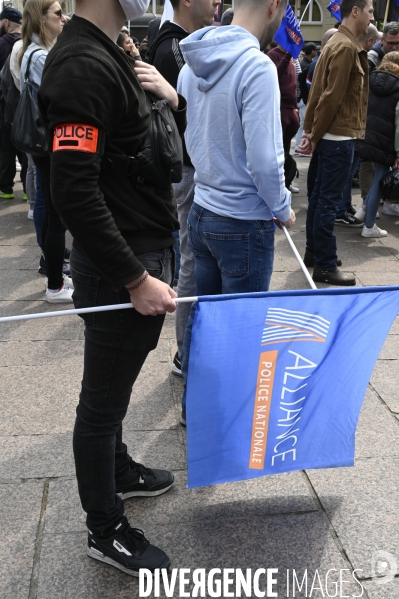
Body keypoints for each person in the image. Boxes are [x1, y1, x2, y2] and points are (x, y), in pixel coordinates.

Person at [38, 0, 187, 577]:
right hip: (120, 268)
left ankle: (119, 469)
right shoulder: (80, 63)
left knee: (114, 391)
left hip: (135, 254)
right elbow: (72, 191)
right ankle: (105, 528)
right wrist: (135, 278)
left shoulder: (107, 49)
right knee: (100, 404)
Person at [177, 0, 295, 423]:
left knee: (204, 321)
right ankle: (229, 421)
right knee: (242, 330)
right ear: (274, 6)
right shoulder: (256, 67)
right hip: (243, 221)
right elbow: (265, 161)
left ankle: (198, 409)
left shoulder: (192, 64)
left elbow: (192, 140)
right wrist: (283, 207)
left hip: (203, 210)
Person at [150, 0, 220, 378]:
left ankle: (188, 349)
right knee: (192, 259)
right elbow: (196, 106)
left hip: (189, 167)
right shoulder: (175, 47)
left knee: (192, 256)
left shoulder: (174, 42)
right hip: (188, 169)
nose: (217, 2)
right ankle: (186, 353)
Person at [299, 0, 374, 286]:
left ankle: (315, 253)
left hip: (332, 135)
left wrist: (311, 132)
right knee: (328, 203)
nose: (371, 17)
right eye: (369, 11)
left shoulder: (337, 42)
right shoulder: (344, 46)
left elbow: (319, 91)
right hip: (339, 138)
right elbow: (329, 97)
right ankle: (326, 266)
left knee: (319, 200)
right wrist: (313, 135)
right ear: (355, 11)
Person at [354, 52, 399, 235]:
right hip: (385, 140)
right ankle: (369, 226)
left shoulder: (370, 81)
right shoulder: (397, 87)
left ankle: (363, 210)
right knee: (379, 180)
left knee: (375, 176)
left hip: (365, 135)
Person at [0, 7, 28, 203]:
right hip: (25, 104)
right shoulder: (28, 44)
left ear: (6, 22)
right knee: (26, 147)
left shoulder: (0, 43)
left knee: (5, 147)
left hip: (3, 105)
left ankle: (6, 188)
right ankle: (28, 189)